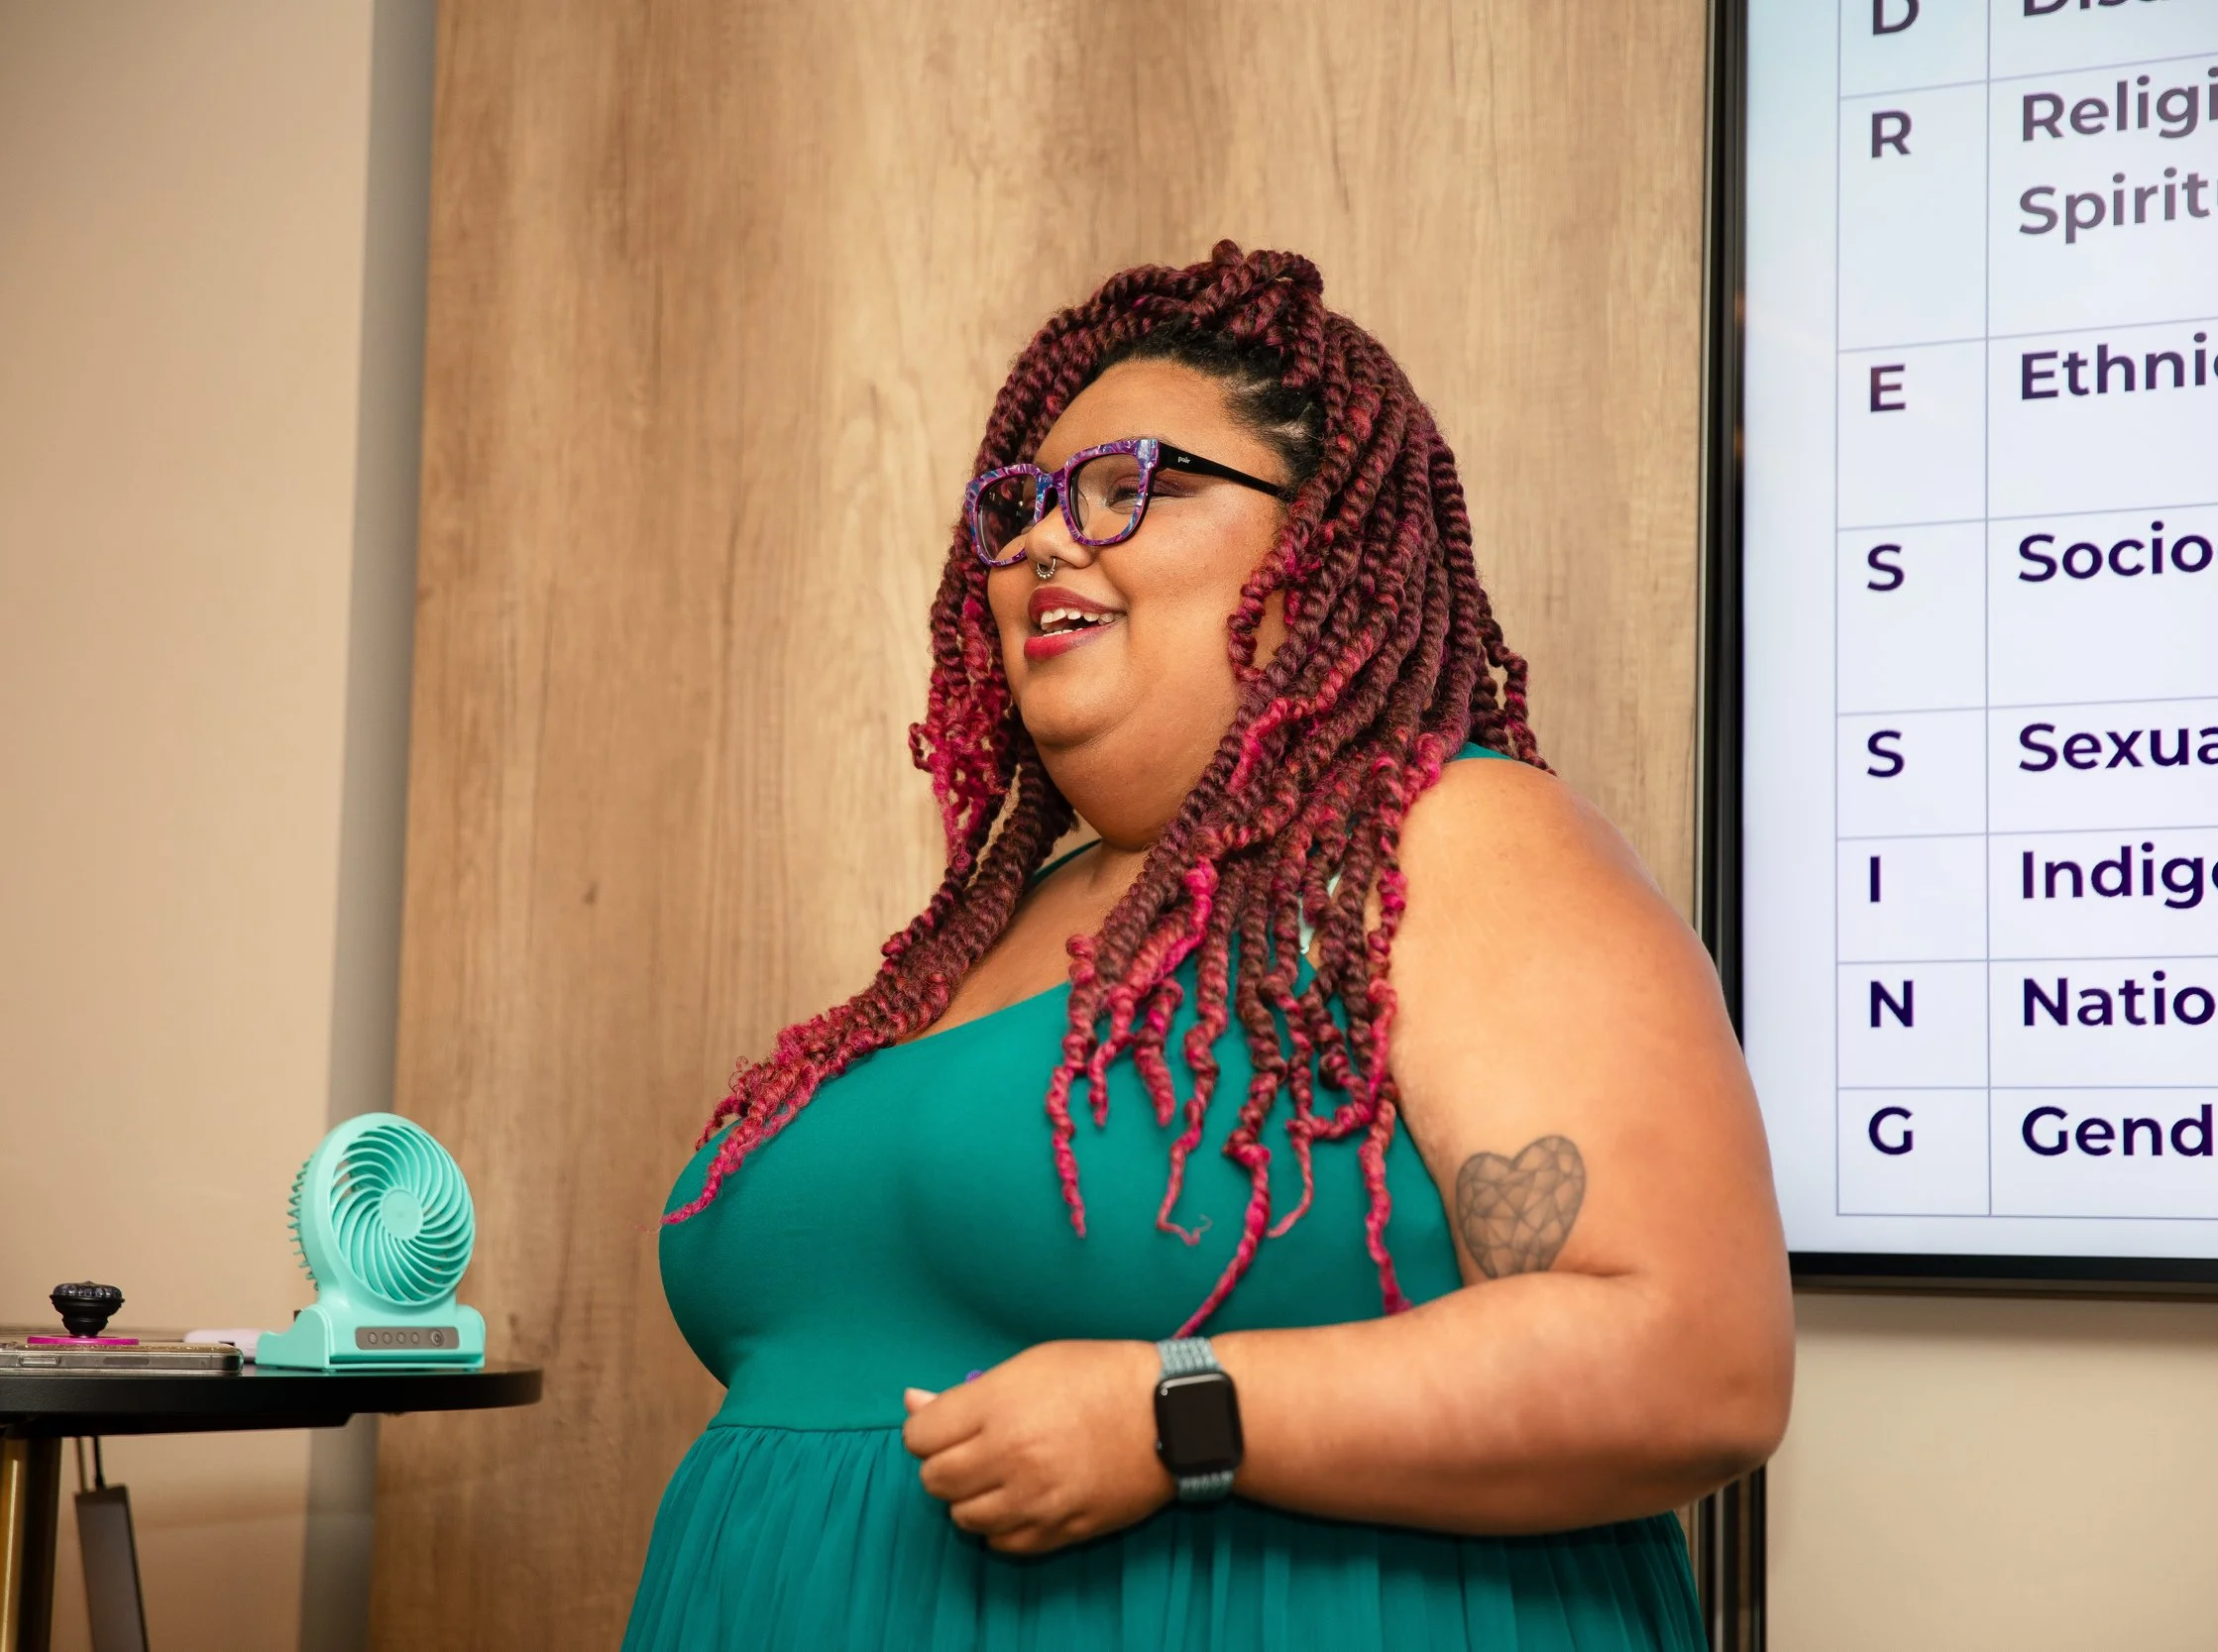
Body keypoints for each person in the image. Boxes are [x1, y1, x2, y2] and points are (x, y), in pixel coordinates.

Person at [622, 244, 1792, 1652]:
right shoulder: (989, 927)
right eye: (1023, 509)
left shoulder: (1455, 832)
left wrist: (1172, 1412)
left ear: (1325, 545)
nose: (1051, 540)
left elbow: (1696, 1360)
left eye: (1135, 488)